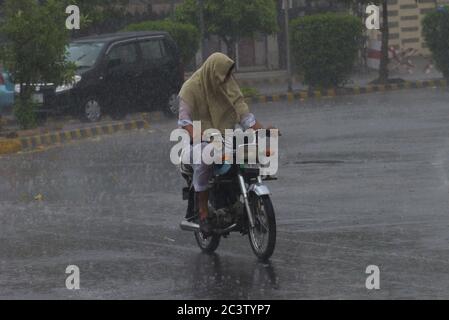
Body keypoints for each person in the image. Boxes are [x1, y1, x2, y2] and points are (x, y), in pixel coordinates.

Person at [178, 52, 273, 235]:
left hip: (225, 139)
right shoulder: (191, 88)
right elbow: (184, 122)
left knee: (247, 156)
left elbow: (244, 115)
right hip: (197, 142)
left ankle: (240, 205)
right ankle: (204, 213)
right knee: (205, 157)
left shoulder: (229, 85)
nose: (227, 80)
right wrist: (202, 137)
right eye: (224, 76)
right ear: (214, 74)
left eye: (229, 75)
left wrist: (262, 131)